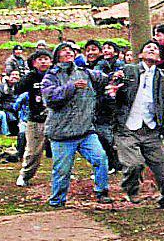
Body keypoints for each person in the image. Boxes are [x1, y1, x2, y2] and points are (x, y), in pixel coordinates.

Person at [107, 41, 164, 208]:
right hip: (126, 127)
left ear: (159, 57)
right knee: (134, 164)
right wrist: (113, 92)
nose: (151, 49)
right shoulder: (128, 70)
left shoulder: (163, 76)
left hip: (151, 128)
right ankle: (131, 191)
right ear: (140, 55)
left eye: (155, 49)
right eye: (147, 47)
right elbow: (113, 85)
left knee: (163, 163)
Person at [40, 44, 114, 207]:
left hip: (85, 130)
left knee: (100, 158)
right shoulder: (51, 76)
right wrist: (71, 87)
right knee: (62, 171)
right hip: (61, 134)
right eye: (63, 50)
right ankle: (57, 201)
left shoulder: (86, 73)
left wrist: (117, 75)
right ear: (57, 56)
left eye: (71, 50)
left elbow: (105, 78)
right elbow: (50, 99)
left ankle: (102, 191)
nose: (68, 52)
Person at [83, 40, 122, 174]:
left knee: (105, 136)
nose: (90, 52)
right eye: (88, 50)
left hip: (105, 105)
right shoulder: (93, 65)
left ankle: (113, 164)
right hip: (98, 105)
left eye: (94, 49)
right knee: (102, 136)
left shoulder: (102, 64)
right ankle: (112, 164)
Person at [15, 49, 53, 185]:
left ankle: (63, 175)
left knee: (62, 149)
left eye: (46, 58)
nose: (43, 61)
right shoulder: (31, 77)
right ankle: (25, 176)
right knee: (33, 152)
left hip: (56, 119)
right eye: (40, 59)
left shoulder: (56, 74)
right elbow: (17, 89)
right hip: (36, 119)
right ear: (34, 63)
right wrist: (26, 77)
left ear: (51, 61)